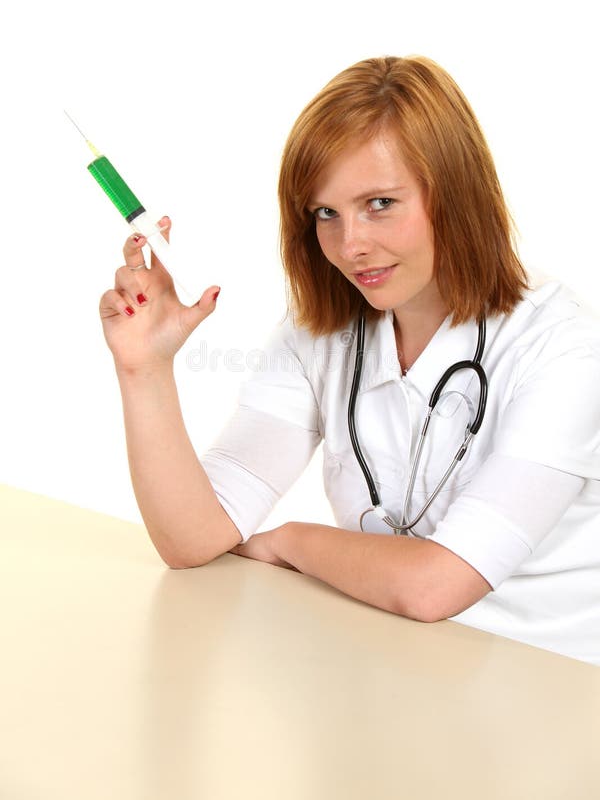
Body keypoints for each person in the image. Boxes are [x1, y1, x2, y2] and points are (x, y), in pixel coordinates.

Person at [100, 56, 600, 665]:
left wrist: (290, 541)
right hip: (390, 666)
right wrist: (144, 370)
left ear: (457, 193)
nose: (350, 245)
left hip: (551, 689)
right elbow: (193, 537)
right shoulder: (322, 328)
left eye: (381, 203)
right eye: (325, 214)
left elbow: (434, 585)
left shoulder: (563, 347)